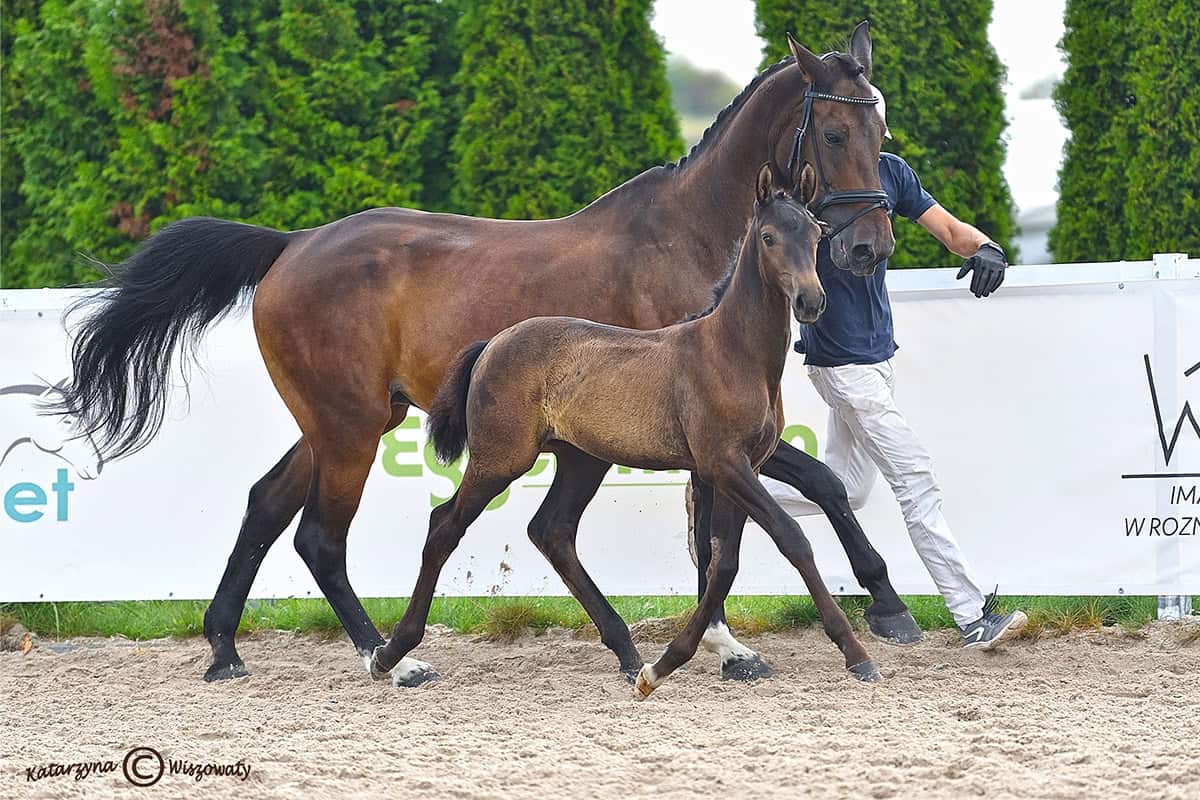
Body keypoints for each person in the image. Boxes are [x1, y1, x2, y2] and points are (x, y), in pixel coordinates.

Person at [763, 86, 1026, 649]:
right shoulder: (807, 182)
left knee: (848, 490)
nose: (867, 138)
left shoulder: (892, 173)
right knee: (915, 478)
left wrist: (987, 247)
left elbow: (950, 231)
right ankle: (971, 614)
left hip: (880, 357)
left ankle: (726, 498)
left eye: (874, 130)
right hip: (840, 365)